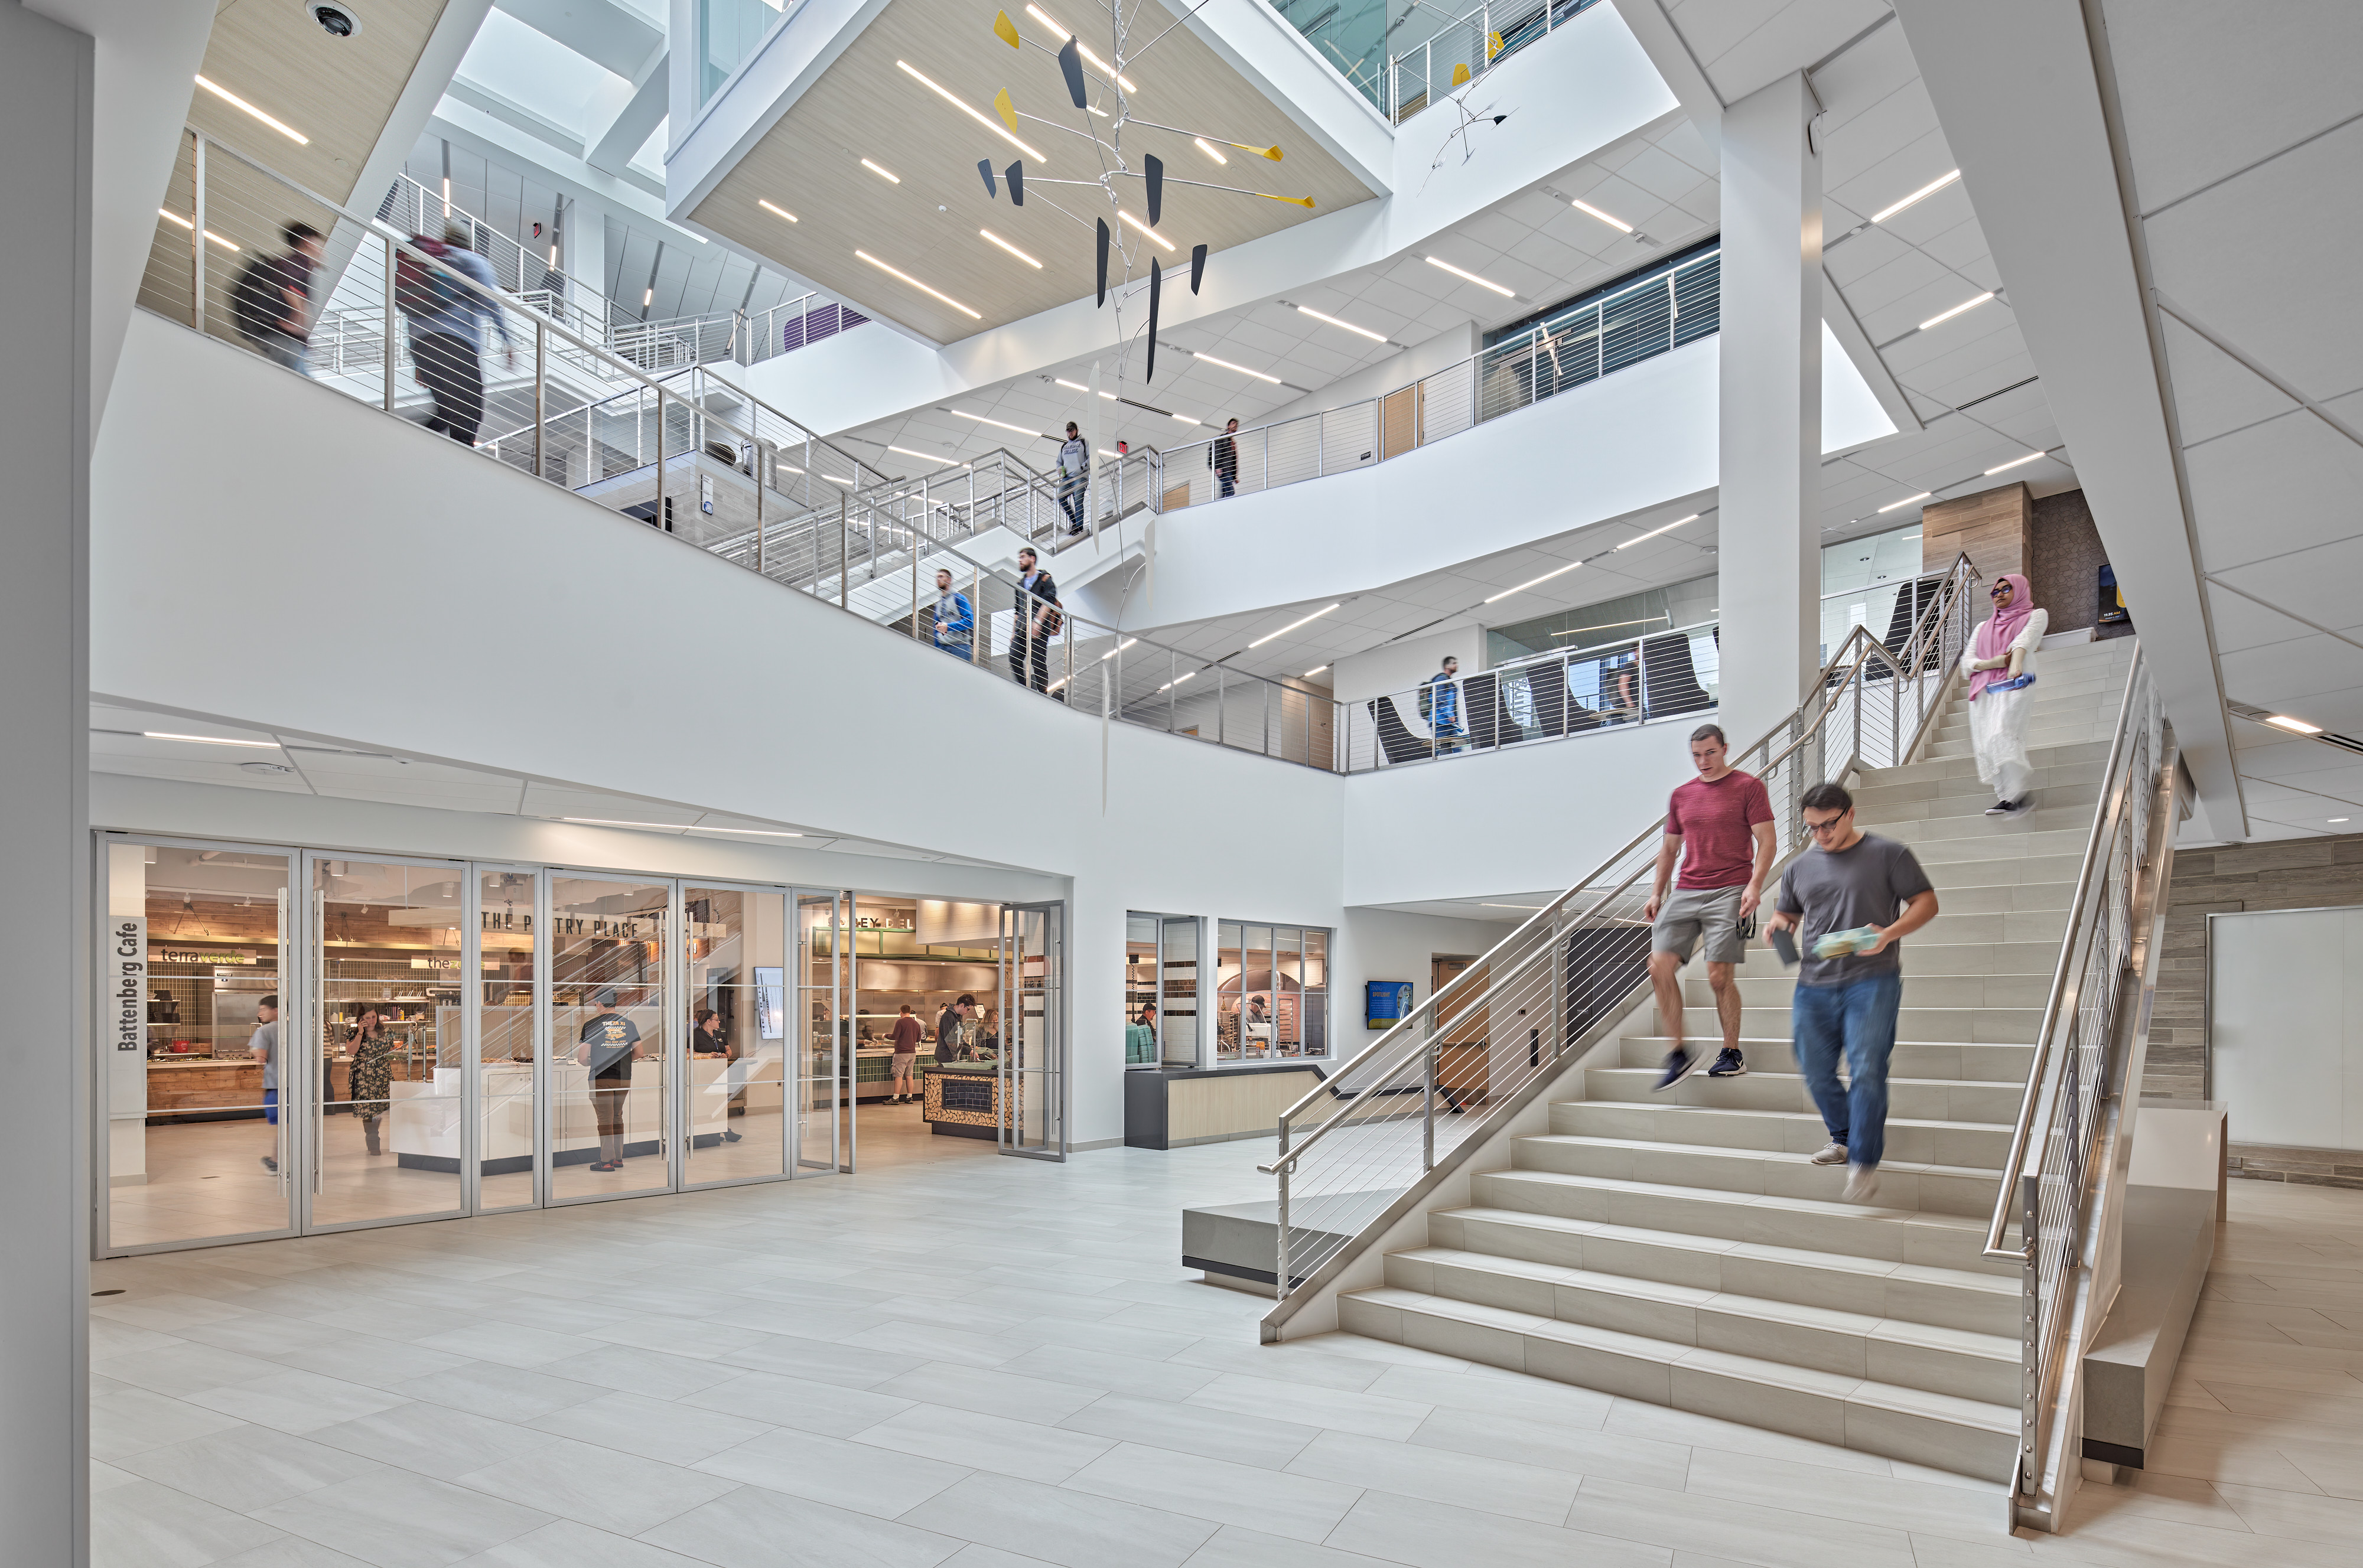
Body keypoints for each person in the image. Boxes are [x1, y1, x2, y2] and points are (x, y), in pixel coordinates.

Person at [1766, 781, 1940, 1204]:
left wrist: (1891, 933)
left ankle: (1863, 1159)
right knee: (1813, 1066)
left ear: (1851, 814)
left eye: (1829, 825)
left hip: (1872, 979)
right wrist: (1779, 925)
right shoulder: (1799, 867)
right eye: (1812, 828)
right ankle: (1843, 1136)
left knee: (1866, 1067)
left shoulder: (1888, 853)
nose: (1821, 835)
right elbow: (1788, 911)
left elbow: (1927, 902)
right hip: (1814, 983)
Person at [1643, 723, 1777, 1089]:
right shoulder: (1681, 795)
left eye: (1710, 753)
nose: (1703, 761)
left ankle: (1731, 1052)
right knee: (1659, 967)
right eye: (1697, 755)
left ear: (1725, 748)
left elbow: (1767, 842)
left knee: (1719, 976)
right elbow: (1669, 849)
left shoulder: (1749, 787)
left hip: (1731, 889)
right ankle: (1679, 1052)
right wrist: (1657, 892)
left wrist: (1755, 885)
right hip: (1687, 889)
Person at [401, 223, 515, 446]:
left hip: (421, 345)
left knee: (446, 409)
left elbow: (415, 312)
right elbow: (491, 302)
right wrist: (507, 341)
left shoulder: (431, 263)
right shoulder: (471, 261)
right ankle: (463, 459)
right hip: (454, 342)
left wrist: (420, 363)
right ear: (468, 243)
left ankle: (412, 445)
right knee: (471, 404)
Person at [1964, 573, 2049, 816]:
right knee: (1986, 744)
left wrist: (2014, 663)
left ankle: (2020, 795)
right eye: (1995, 591)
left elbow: (2024, 641)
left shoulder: (2036, 615)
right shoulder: (1982, 628)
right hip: (1983, 692)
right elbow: (1966, 663)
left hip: (2016, 683)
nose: (1999, 594)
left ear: (2020, 590)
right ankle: (2007, 798)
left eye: (2006, 589)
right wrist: (1997, 662)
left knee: (2002, 734)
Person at [229, 222, 324, 374]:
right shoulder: (295, 264)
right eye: (319, 243)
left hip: (280, 337)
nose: (321, 249)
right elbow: (288, 286)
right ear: (308, 241)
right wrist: (298, 317)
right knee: (299, 387)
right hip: (284, 339)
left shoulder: (292, 264)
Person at [576, 989, 642, 1171]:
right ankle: (618, 1158)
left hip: (601, 1077)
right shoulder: (628, 1024)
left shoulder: (591, 1025)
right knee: (617, 1116)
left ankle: (606, 1161)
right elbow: (639, 1053)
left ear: (599, 1003)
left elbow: (582, 1058)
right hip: (624, 1077)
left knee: (605, 1119)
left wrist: (595, 1060)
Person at [344, 1005, 396, 1156]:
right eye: (367, 1018)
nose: (371, 1021)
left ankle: (373, 1133)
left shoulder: (386, 1032)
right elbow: (352, 1051)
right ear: (361, 1019)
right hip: (363, 1074)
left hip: (382, 1073)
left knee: (379, 1107)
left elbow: (390, 1049)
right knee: (368, 1108)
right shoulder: (353, 1033)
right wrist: (360, 1032)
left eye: (374, 1017)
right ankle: (373, 1140)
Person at [1009, 547, 1061, 694]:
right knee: (1014, 656)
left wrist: (1037, 623)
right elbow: (1017, 610)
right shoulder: (1020, 585)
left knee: (1037, 662)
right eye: (1019, 557)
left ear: (1032, 559)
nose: (1020, 560)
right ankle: (1024, 688)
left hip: (1039, 631)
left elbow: (1048, 601)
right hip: (1021, 629)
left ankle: (1042, 693)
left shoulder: (1045, 580)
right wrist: (1013, 632)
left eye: (1023, 557)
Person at [691, 1007, 743, 1143]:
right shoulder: (696, 1035)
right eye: (716, 1020)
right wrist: (706, 1055)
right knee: (708, 1104)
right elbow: (689, 1053)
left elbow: (729, 1049)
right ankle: (722, 1131)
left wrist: (726, 1055)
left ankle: (720, 1130)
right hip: (703, 1075)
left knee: (719, 1103)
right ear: (708, 1021)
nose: (719, 1022)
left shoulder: (719, 1034)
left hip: (720, 1073)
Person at [249, 995, 281, 1172]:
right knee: (289, 1124)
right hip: (297, 1085)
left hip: (275, 1084)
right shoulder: (297, 1027)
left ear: (275, 1010)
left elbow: (261, 1059)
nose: (259, 1013)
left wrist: (254, 1051)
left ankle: (277, 1160)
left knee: (280, 1124)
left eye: (263, 1009)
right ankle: (277, 1159)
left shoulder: (264, 1031)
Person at [1420, 656, 1466, 755]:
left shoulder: (1448, 681)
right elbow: (1439, 698)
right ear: (1446, 666)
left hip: (1448, 723)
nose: (1456, 665)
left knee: (1456, 750)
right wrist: (1449, 714)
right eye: (1454, 663)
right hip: (1440, 723)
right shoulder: (1441, 679)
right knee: (1441, 750)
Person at [932, 568, 975, 661]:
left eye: (941, 577)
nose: (938, 579)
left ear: (949, 580)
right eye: (937, 577)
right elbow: (936, 628)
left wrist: (948, 627)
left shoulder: (959, 599)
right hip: (942, 648)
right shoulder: (938, 605)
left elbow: (969, 622)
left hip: (960, 647)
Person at [1056, 421, 1089, 534]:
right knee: (1061, 498)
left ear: (1076, 430)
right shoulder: (1064, 446)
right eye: (1068, 431)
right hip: (1067, 478)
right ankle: (1075, 521)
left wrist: (1083, 467)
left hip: (1080, 476)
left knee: (1078, 500)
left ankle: (1079, 527)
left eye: (1072, 430)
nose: (1070, 433)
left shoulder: (1084, 442)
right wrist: (1060, 469)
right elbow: (1059, 462)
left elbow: (1091, 458)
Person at [888, 1004, 923, 1104]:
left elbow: (895, 1036)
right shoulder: (916, 1023)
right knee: (909, 1075)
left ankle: (895, 1098)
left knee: (899, 1075)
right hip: (912, 1053)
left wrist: (885, 1036)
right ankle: (909, 1097)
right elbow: (918, 1039)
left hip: (901, 1053)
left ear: (901, 1011)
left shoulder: (900, 1022)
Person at [1212, 418, 1240, 498]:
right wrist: (1218, 468)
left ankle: (1219, 505)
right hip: (1224, 470)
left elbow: (1233, 460)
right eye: (1233, 423)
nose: (1235, 425)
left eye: (1236, 424)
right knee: (1230, 492)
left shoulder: (1232, 442)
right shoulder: (1223, 439)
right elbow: (1217, 452)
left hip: (1229, 471)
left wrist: (1235, 476)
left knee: (1224, 491)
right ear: (1228, 426)